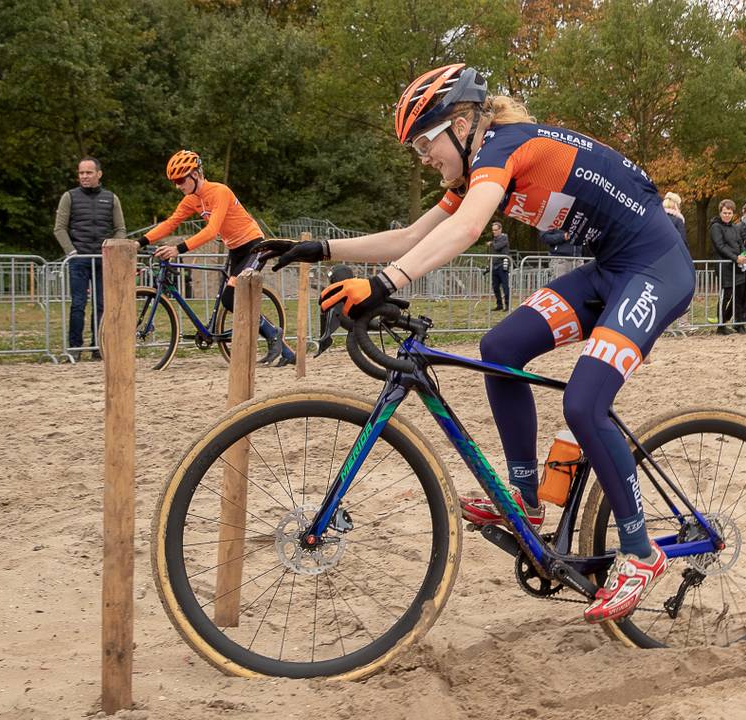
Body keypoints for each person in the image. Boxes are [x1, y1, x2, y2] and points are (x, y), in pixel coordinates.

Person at [255, 63, 692, 624]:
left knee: (583, 401)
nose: (424, 159)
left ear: (462, 122)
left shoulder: (505, 148)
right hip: (612, 271)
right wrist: (317, 250)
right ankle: (527, 502)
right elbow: (414, 236)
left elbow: (461, 234)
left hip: (657, 271)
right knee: (500, 347)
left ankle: (640, 552)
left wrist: (387, 283)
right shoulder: (474, 171)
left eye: (425, 144)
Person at [138, 150, 294, 366]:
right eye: (174, 182)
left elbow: (212, 231)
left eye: (180, 180)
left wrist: (178, 249)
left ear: (195, 175)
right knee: (231, 298)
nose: (177, 186)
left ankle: (273, 333)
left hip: (254, 244)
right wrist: (139, 242)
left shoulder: (219, 191)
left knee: (230, 299)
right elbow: (170, 223)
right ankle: (288, 353)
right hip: (234, 249)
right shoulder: (191, 200)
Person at [54, 157, 126, 361]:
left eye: (88, 172)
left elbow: (120, 229)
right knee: (78, 304)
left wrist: (114, 249)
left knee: (102, 304)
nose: (84, 176)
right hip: (79, 259)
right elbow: (59, 228)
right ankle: (74, 349)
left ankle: (98, 348)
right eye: (81, 173)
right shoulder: (69, 197)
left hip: (104, 259)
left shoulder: (111, 198)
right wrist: (71, 251)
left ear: (99, 174)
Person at [710, 199, 746, 333]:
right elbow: (720, 246)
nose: (727, 215)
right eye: (725, 213)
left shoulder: (734, 227)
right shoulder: (715, 227)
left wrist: (745, 254)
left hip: (737, 266)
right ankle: (721, 326)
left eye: (729, 213)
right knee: (726, 296)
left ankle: (739, 323)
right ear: (720, 212)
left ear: (733, 213)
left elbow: (740, 243)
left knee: (738, 296)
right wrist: (736, 258)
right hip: (724, 266)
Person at [488, 221, 511, 310]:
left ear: (500, 229)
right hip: (494, 265)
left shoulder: (504, 238)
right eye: (493, 230)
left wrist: (491, 243)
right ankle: (499, 305)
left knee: (505, 286)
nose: (494, 232)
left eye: (496, 230)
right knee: (495, 286)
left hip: (502, 265)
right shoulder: (494, 240)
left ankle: (507, 305)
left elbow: (498, 247)